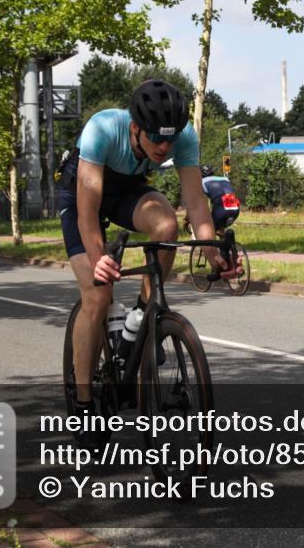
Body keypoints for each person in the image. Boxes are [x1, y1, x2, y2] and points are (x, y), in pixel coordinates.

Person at [56, 79, 239, 416]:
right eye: (155, 137)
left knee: (166, 225)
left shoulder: (182, 137)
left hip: (127, 191)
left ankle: (140, 319)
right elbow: (87, 213)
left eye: (170, 138)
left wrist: (213, 252)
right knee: (97, 295)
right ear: (136, 127)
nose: (164, 147)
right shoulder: (102, 128)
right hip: (81, 196)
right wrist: (100, 262)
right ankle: (83, 403)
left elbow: (195, 203)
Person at [199, 164, 241, 233]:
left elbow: (199, 201)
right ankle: (226, 241)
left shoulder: (202, 182)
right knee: (220, 228)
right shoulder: (225, 179)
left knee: (209, 231)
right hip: (235, 208)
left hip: (221, 208)